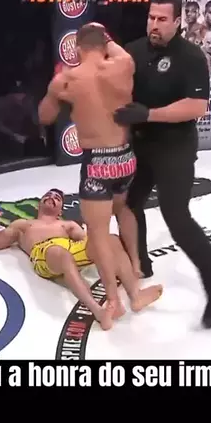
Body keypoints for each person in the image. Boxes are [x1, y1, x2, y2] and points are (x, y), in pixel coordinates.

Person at [113, 0, 211, 329]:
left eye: (162, 19)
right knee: (128, 204)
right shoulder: (133, 50)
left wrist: (148, 114)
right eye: (151, 18)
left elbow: (197, 107)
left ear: (178, 21)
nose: (154, 24)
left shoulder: (191, 56)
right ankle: (139, 265)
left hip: (174, 147)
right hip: (140, 144)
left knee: (177, 217)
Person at [38, 24, 143, 320]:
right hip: (125, 159)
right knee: (123, 208)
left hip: (98, 163)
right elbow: (115, 50)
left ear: (77, 48)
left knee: (98, 234)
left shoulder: (68, 79)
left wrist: (53, 92)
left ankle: (114, 300)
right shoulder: (124, 64)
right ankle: (135, 267)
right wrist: (104, 35)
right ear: (105, 42)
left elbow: (45, 117)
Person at [0, 188, 163, 330]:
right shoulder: (23, 225)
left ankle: (135, 295)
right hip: (44, 252)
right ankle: (98, 311)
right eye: (48, 195)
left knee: (111, 240)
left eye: (57, 198)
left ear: (60, 210)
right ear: (38, 205)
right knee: (61, 253)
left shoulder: (67, 225)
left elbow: (89, 242)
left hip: (69, 248)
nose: (52, 197)